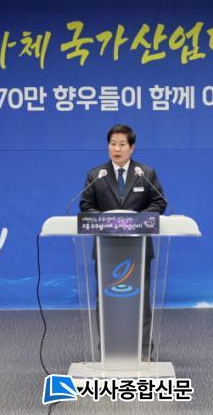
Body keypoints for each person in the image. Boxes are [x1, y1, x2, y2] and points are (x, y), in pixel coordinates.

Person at [80, 124, 166, 361]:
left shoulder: (145, 173)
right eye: (112, 144)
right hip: (105, 249)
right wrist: (107, 221)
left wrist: (136, 221)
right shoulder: (96, 175)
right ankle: (107, 351)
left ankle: (143, 352)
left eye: (121, 144)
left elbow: (159, 203)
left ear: (132, 147)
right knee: (105, 301)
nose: (116, 149)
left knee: (141, 302)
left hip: (138, 248)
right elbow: (86, 206)